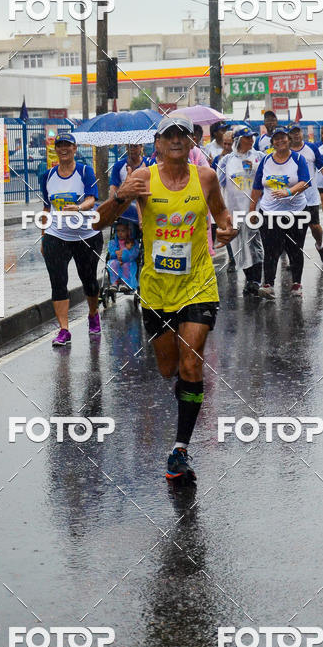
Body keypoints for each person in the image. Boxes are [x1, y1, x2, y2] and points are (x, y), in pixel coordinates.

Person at [93, 114, 236, 484]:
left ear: (191, 143)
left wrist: (226, 227)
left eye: (182, 134)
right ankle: (185, 390)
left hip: (198, 283)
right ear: (157, 143)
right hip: (156, 288)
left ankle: (179, 449)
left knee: (192, 364)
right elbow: (99, 222)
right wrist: (122, 196)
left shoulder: (205, 178)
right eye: (168, 134)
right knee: (168, 369)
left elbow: (221, 212)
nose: (176, 139)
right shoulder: (141, 178)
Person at [40, 131, 103, 345]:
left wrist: (78, 207)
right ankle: (64, 330)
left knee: (89, 281)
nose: (64, 149)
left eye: (68, 145)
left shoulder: (85, 171)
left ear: (75, 149)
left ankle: (93, 313)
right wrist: (43, 236)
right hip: (56, 235)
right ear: (55, 149)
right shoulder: (47, 176)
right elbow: (47, 208)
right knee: (58, 282)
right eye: (60, 145)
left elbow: (92, 200)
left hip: (86, 235)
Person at [250, 126, 310, 299]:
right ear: (272, 142)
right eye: (276, 138)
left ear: (289, 139)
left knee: (295, 248)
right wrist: (251, 211)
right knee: (270, 249)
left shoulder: (298, 159)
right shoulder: (266, 160)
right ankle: (268, 284)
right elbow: (256, 187)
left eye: (283, 137)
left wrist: (288, 192)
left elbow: (305, 182)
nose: (280, 141)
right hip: (269, 212)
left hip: (296, 212)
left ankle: (296, 283)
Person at [219, 127, 264, 294]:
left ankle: (255, 280)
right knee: (240, 246)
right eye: (247, 138)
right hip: (235, 210)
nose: (251, 140)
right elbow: (219, 185)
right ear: (238, 140)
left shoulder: (260, 157)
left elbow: (266, 180)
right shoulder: (226, 161)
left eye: (252, 137)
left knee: (254, 244)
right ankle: (249, 278)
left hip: (255, 209)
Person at [289, 124, 323, 264]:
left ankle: (320, 245)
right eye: (293, 133)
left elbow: (322, 166)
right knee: (292, 230)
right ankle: (293, 258)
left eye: (298, 132)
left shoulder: (311, 149)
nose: (296, 135)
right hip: (291, 198)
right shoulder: (285, 151)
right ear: (289, 135)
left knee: (315, 227)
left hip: (310, 198)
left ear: (302, 133)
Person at [109, 142, 148, 227]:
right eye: (129, 146)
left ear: (141, 147)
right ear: (126, 148)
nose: (132, 149)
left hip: (145, 203)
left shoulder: (148, 163)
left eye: (135, 146)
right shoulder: (119, 165)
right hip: (125, 206)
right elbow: (113, 189)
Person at [213, 130, 236, 271]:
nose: (227, 147)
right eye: (225, 144)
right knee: (227, 228)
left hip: (242, 201)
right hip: (225, 200)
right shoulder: (218, 159)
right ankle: (232, 259)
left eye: (230, 144)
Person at [107, 220, 140, 292]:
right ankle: (114, 283)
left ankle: (125, 282)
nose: (120, 233)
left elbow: (134, 254)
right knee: (112, 264)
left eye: (123, 231)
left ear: (128, 231)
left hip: (128, 261)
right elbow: (112, 252)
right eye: (118, 231)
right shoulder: (114, 242)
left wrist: (124, 253)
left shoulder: (132, 242)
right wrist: (116, 254)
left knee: (126, 266)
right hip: (116, 260)